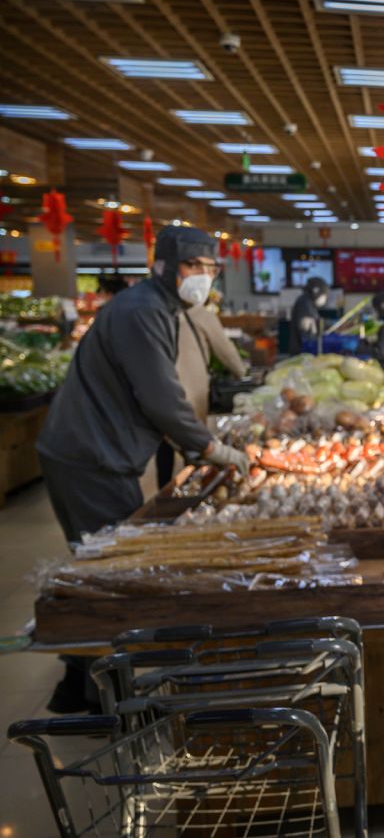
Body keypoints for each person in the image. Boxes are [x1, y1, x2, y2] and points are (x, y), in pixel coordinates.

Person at [37, 225, 249, 711]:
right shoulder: (141, 312)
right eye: (197, 268)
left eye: (210, 269)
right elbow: (161, 398)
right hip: (90, 455)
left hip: (93, 450)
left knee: (98, 565)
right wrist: (211, 448)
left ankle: (80, 683)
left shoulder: (158, 307)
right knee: (115, 572)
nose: (204, 277)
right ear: (168, 268)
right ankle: (99, 695)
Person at [156, 299, 248, 488]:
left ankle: (166, 493)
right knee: (195, 447)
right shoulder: (201, 315)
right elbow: (226, 351)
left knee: (164, 445)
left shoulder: (158, 314)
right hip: (191, 392)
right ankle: (194, 490)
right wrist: (242, 372)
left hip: (163, 391)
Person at [289, 276, 329, 354]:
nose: (325, 298)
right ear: (316, 292)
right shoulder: (304, 304)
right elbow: (307, 334)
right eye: (324, 295)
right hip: (301, 352)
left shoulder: (308, 303)